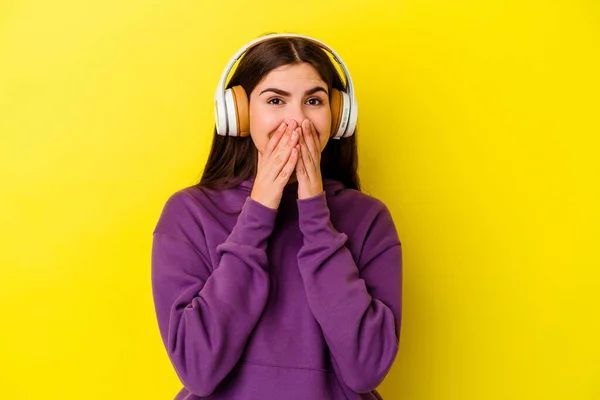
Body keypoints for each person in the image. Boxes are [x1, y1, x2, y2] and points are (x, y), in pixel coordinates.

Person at [151, 33, 403, 400]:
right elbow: (198, 369)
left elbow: (366, 368)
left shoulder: (368, 219)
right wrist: (258, 212)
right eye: (275, 101)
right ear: (238, 113)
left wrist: (316, 216)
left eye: (313, 101)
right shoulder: (189, 214)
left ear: (337, 116)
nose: (296, 121)